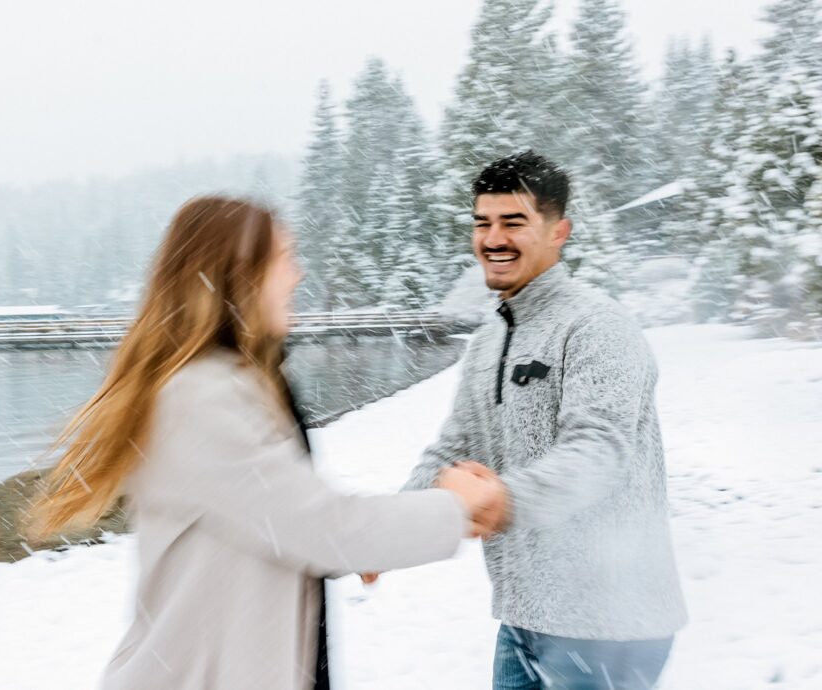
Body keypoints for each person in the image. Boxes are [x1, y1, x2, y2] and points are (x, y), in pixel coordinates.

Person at [35, 195, 501, 690]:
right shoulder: (198, 398)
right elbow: (319, 527)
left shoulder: (235, 382)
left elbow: (279, 524)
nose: (298, 275)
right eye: (286, 258)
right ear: (241, 274)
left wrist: (363, 546)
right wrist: (452, 507)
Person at [399, 152, 688, 689]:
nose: (493, 238)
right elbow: (454, 447)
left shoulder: (598, 327)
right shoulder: (489, 340)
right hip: (525, 619)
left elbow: (598, 449)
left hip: (610, 623)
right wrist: (395, 527)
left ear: (559, 231)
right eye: (482, 222)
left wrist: (504, 500)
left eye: (513, 222)